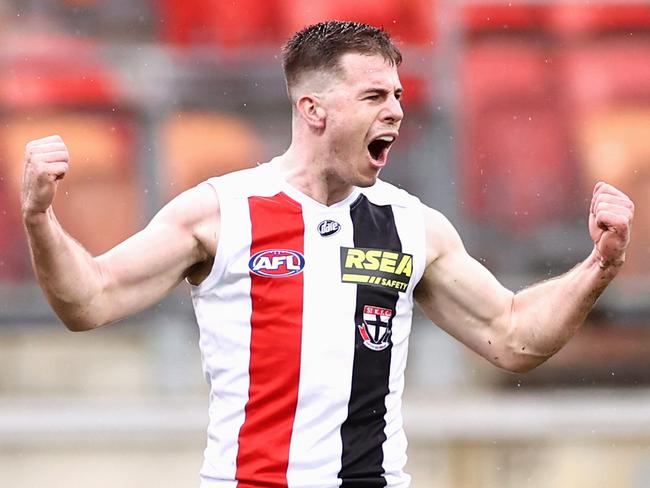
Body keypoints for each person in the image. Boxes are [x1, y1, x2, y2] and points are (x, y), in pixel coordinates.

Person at [21, 20, 634, 488]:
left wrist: (598, 266)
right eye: (373, 97)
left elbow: (513, 336)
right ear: (313, 109)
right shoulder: (220, 211)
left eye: (396, 94)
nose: (395, 110)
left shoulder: (411, 225)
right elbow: (90, 300)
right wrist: (40, 218)